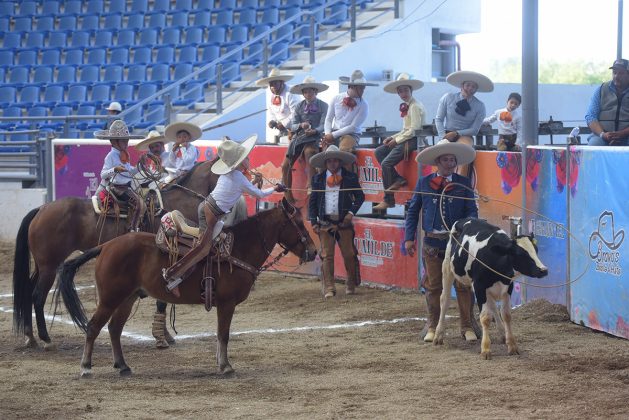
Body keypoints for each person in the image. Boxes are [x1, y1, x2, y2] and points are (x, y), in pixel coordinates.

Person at [162, 135, 287, 296]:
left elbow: (243, 188)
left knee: (214, 239)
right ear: (240, 162)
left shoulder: (232, 176)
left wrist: (255, 183)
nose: (248, 160)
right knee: (203, 248)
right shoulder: (239, 177)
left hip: (208, 210)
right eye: (246, 158)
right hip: (211, 214)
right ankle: (173, 276)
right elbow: (258, 194)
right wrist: (276, 188)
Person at [404, 139, 478, 343]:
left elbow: (472, 210)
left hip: (456, 243)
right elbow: (413, 212)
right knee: (434, 285)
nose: (450, 163)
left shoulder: (463, 184)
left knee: (463, 285)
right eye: (446, 159)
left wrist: (469, 226)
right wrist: (409, 238)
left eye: (452, 159)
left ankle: (467, 326)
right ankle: (433, 325)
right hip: (432, 243)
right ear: (437, 161)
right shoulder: (423, 183)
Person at [308, 145, 365, 298]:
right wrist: (313, 220)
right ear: (325, 163)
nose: (332, 164)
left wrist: (350, 213)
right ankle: (329, 287)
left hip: (344, 223)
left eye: (335, 161)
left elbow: (360, 197)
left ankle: (351, 283)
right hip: (325, 223)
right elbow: (312, 201)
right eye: (329, 161)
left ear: (339, 162)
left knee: (349, 254)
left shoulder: (350, 177)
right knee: (327, 256)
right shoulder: (318, 179)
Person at [373, 73, 426, 212]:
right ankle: (398, 179)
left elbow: (414, 130)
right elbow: (405, 129)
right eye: (400, 91)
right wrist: (393, 138)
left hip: (414, 140)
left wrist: (396, 140)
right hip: (407, 138)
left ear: (411, 90)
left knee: (386, 163)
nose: (403, 93)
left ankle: (388, 199)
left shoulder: (414, 106)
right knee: (379, 151)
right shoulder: (409, 105)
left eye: (405, 90)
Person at [435, 70, 493, 179]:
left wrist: (457, 133)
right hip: (446, 133)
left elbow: (475, 129)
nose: (470, 89)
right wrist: (442, 136)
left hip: (465, 135)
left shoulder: (480, 106)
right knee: (439, 150)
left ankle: (459, 182)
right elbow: (439, 119)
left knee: (464, 150)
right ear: (462, 85)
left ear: (476, 89)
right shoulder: (448, 97)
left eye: (473, 87)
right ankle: (439, 180)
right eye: (468, 85)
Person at [282, 76, 329, 203]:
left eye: (311, 91)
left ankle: (311, 185)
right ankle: (287, 193)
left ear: (316, 92)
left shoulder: (324, 106)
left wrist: (315, 130)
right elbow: (293, 124)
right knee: (285, 165)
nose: (308, 94)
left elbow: (324, 124)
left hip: (315, 137)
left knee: (310, 152)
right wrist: (300, 126)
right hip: (299, 137)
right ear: (303, 93)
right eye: (306, 91)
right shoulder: (298, 106)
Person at [94, 119, 146, 232]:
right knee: (139, 204)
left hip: (126, 187)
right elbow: (103, 174)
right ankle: (132, 229)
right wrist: (114, 169)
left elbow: (130, 173)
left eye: (126, 141)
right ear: (114, 142)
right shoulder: (111, 156)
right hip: (118, 188)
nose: (126, 143)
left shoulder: (124, 155)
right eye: (123, 141)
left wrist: (140, 166)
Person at [322, 69, 377, 169]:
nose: (363, 90)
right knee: (323, 155)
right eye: (360, 88)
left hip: (351, 134)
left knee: (344, 152)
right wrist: (327, 134)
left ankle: (346, 180)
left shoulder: (364, 105)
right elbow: (328, 119)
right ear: (351, 86)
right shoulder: (336, 98)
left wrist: (332, 135)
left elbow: (353, 127)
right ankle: (323, 180)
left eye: (363, 88)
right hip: (334, 132)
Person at [586, 58, 629, 146]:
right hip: (602, 136)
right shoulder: (601, 89)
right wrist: (603, 134)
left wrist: (622, 134)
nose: (616, 76)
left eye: (621, 73)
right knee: (593, 147)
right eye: (614, 72)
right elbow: (590, 116)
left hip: (626, 136)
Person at [256, 68, 299, 144]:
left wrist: (284, 124)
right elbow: (271, 111)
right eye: (271, 84)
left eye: (275, 84)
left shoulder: (290, 93)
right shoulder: (271, 96)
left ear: (281, 83)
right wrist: (273, 121)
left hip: (296, 128)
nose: (273, 87)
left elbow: (296, 113)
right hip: (282, 130)